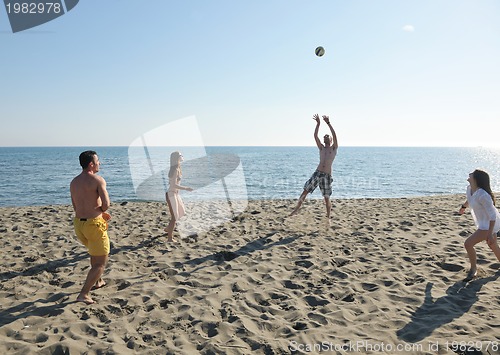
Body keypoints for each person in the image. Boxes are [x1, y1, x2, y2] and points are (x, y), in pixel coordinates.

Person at [70, 150, 111, 305]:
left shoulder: (74, 182)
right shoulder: (97, 180)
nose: (100, 163)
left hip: (79, 224)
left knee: (94, 252)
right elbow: (106, 205)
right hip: (93, 225)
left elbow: (76, 206)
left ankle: (98, 281)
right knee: (100, 263)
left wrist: (98, 213)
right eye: (98, 161)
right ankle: (83, 294)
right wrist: (100, 212)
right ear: (91, 164)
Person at [290, 114, 338, 221]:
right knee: (305, 190)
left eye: (327, 136)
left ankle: (328, 216)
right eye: (324, 136)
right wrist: (318, 124)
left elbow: (334, 135)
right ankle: (296, 209)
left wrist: (328, 123)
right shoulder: (321, 148)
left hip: (327, 175)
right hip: (318, 173)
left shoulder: (334, 148)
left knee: (326, 198)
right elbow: (315, 136)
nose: (325, 136)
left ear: (330, 140)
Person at [458, 169, 500, 282]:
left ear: (476, 178)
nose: (469, 174)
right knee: (493, 246)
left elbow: (492, 216)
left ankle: (473, 269)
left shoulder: (483, 195)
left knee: (468, 244)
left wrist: (490, 233)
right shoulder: (469, 189)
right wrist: (463, 207)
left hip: (488, 225)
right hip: (483, 223)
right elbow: (469, 199)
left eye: (471, 174)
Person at [165, 151, 193, 242]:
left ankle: (168, 228)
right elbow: (173, 185)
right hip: (171, 194)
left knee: (182, 212)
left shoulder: (178, 168)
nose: (182, 156)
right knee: (174, 216)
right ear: (177, 158)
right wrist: (186, 188)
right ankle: (170, 238)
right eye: (181, 155)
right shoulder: (175, 170)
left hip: (176, 194)